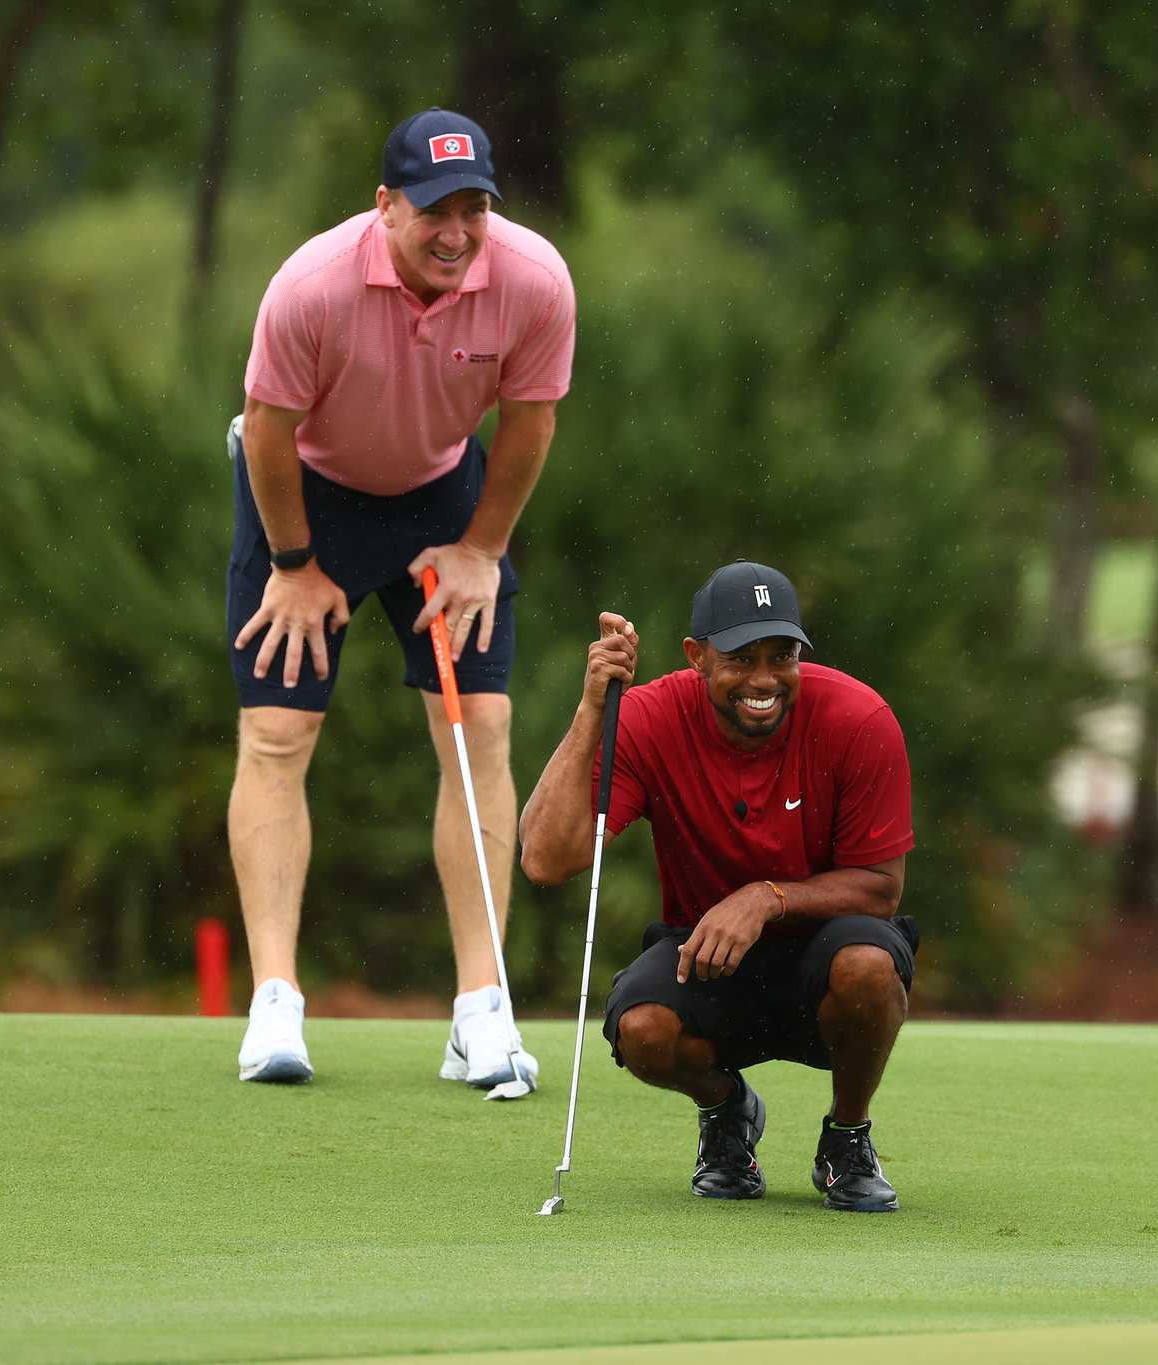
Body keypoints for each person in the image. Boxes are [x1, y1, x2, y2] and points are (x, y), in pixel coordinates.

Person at [227, 108, 575, 1091]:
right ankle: (275, 1004)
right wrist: (293, 563)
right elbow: (263, 429)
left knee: (481, 730)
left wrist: (481, 549)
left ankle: (480, 1011)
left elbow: (530, 420)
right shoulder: (310, 286)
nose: (456, 231)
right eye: (433, 210)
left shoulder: (534, 280)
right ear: (385, 206)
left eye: (473, 208)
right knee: (277, 736)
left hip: (443, 496)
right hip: (305, 497)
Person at [519, 561, 918, 1211]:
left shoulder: (858, 716)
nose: (764, 679)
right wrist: (594, 708)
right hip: (708, 955)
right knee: (643, 1028)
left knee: (871, 964)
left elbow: (881, 890)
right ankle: (728, 1111)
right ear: (697, 655)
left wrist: (765, 896)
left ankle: (847, 1137)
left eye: (782, 656)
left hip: (829, 954)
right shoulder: (649, 716)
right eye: (740, 658)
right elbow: (545, 858)